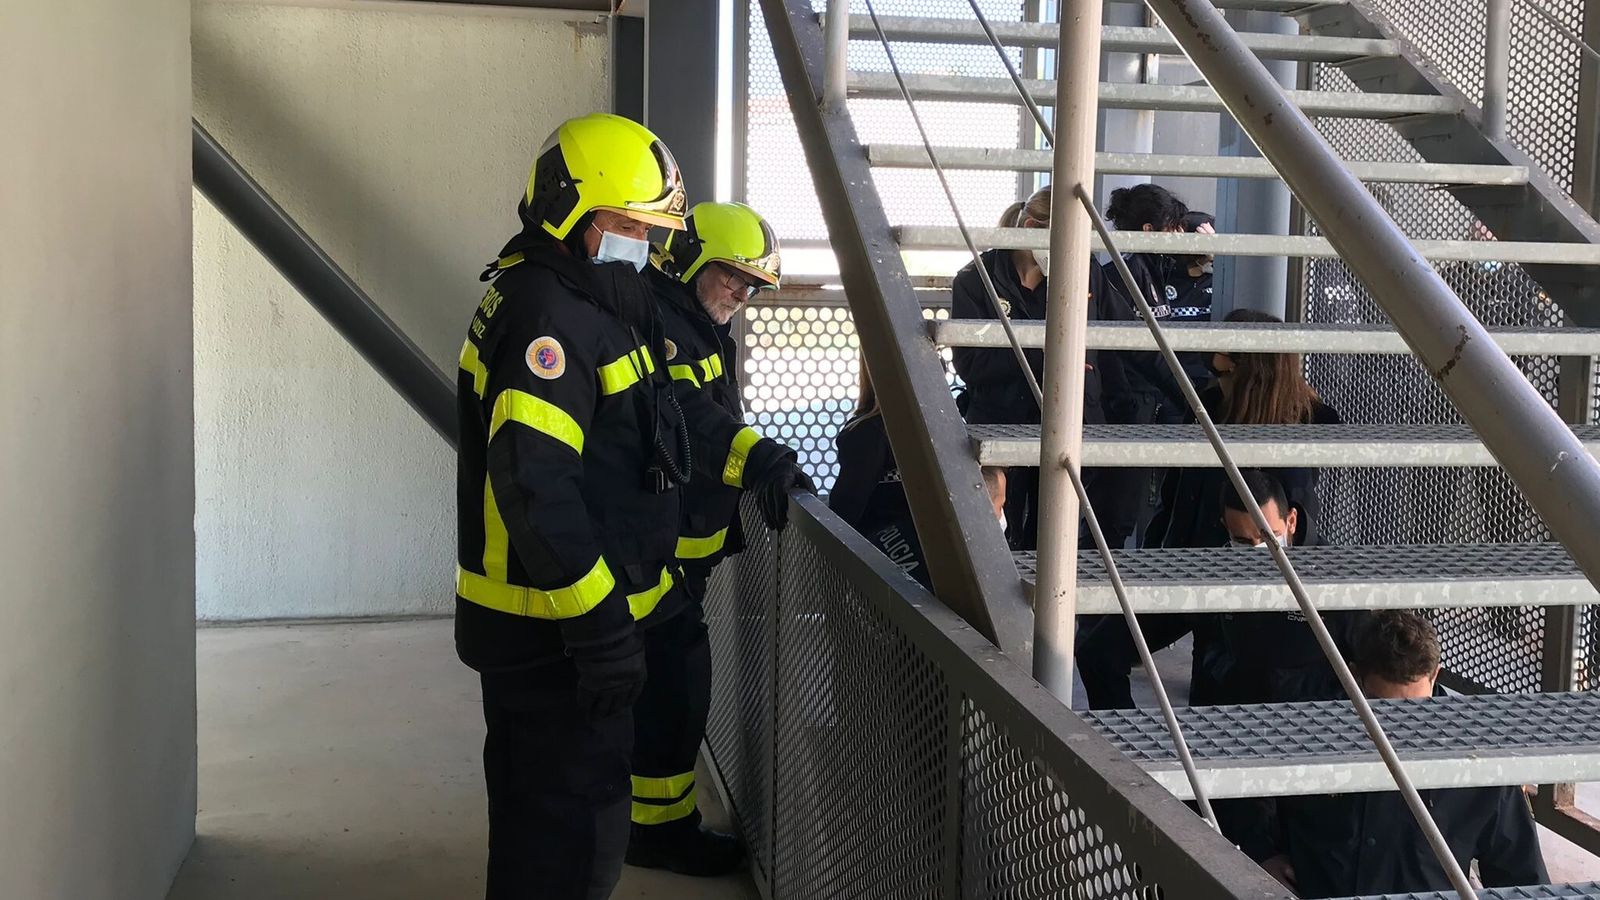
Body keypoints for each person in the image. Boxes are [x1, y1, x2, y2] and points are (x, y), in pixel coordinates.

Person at [454, 112, 694, 900]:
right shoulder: (549, 319)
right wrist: (599, 631)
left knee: (558, 827)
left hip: (560, 624)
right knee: (562, 841)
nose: (646, 249)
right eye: (632, 227)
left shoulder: (582, 300)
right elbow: (536, 488)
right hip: (548, 633)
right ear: (575, 216)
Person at [633, 200, 811, 875]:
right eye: (731, 276)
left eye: (751, 285)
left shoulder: (688, 321)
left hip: (677, 553)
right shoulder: (665, 328)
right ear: (685, 260)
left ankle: (656, 822)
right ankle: (657, 831)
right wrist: (762, 459)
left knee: (671, 690)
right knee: (672, 696)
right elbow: (690, 421)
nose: (740, 295)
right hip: (662, 555)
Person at [1257, 611, 1550, 898]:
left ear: (1435, 676)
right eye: (1382, 707)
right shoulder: (1308, 725)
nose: (1399, 726)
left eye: (1415, 709)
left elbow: (1523, 877)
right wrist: (1262, 853)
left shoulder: (1477, 761)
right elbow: (1249, 783)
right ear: (1355, 677)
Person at [1077, 468, 1354, 710]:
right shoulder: (1215, 571)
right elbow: (1099, 652)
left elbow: (1372, 672)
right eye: (1243, 541)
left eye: (1268, 538)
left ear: (1291, 521)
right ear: (1226, 530)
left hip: (1301, 736)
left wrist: (1274, 684)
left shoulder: (1337, 580)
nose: (1258, 551)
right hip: (1216, 734)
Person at [950, 185, 1108, 550]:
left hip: (1068, 419)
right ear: (1033, 227)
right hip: (999, 420)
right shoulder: (975, 280)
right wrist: (1052, 349)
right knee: (996, 540)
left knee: (1058, 539)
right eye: (1064, 238)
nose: (1072, 251)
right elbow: (971, 363)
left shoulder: (1082, 273)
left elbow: (1121, 342)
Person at [1145, 308, 1343, 552]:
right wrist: (1155, 549)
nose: (1210, 363)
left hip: (1247, 568)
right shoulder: (1208, 405)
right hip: (1189, 556)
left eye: (1220, 354)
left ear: (1242, 365)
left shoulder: (1303, 424)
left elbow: (1297, 523)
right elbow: (1173, 495)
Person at [830, 363, 1006, 589]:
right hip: (916, 563)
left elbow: (843, 511)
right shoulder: (946, 429)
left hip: (892, 566)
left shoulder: (869, 431)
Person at [1097, 183, 1192, 549]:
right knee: (1117, 511)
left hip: (1149, 399)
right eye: (1172, 228)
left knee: (1147, 505)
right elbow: (1133, 349)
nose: (1178, 237)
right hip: (1128, 404)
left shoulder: (1150, 266)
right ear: (1150, 231)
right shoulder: (1121, 270)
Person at [1165, 210, 1217, 387]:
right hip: (1170, 377)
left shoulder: (1218, 282)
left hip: (1209, 378)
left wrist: (1218, 258)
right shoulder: (1163, 278)